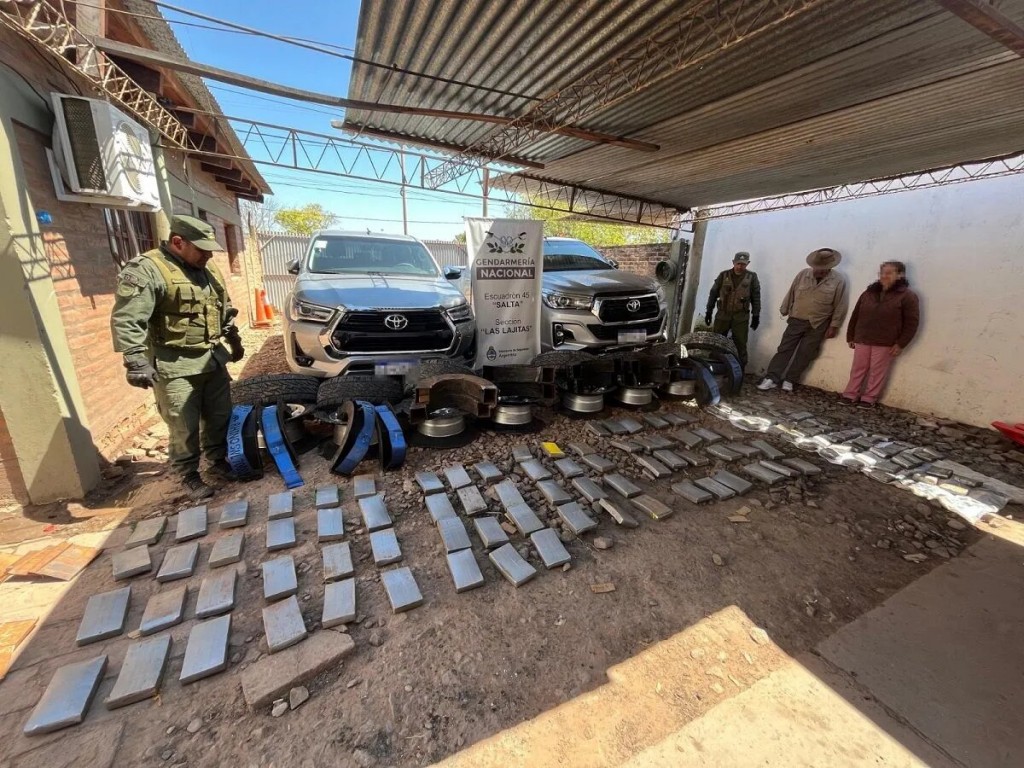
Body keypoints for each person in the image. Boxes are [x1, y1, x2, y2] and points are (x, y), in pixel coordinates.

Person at [110, 215, 245, 501]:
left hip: (211, 358)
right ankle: (189, 475)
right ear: (178, 242)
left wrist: (234, 342)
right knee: (183, 424)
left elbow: (224, 310)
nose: (208, 255)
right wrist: (135, 360)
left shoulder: (208, 270)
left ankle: (218, 462)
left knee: (220, 416)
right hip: (175, 365)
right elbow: (128, 318)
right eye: (202, 249)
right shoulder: (148, 270)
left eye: (210, 250)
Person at [756, 247, 848, 392]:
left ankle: (790, 379)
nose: (820, 270)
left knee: (806, 353)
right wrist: (784, 309)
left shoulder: (838, 281)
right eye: (818, 267)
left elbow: (840, 304)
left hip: (818, 323)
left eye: (824, 268)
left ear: (831, 267)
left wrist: (834, 325)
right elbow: (791, 291)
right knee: (784, 349)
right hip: (796, 318)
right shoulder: (802, 274)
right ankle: (772, 378)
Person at [838, 261, 920, 409]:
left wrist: (901, 343)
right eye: (882, 273)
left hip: (885, 341)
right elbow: (856, 315)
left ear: (900, 275)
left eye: (889, 273)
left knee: (877, 371)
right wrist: (851, 336)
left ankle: (869, 398)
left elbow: (911, 323)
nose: (884, 276)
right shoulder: (869, 293)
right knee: (858, 367)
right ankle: (850, 394)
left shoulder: (907, 296)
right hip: (863, 337)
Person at [704, 251, 761, 369]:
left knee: (740, 344)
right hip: (722, 315)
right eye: (738, 263)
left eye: (743, 264)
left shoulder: (752, 277)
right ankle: (713, 367)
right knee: (717, 342)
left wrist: (756, 316)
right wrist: (709, 311)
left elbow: (756, 297)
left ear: (748, 264)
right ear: (733, 262)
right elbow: (713, 293)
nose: (740, 266)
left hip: (741, 317)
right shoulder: (723, 275)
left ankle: (739, 370)